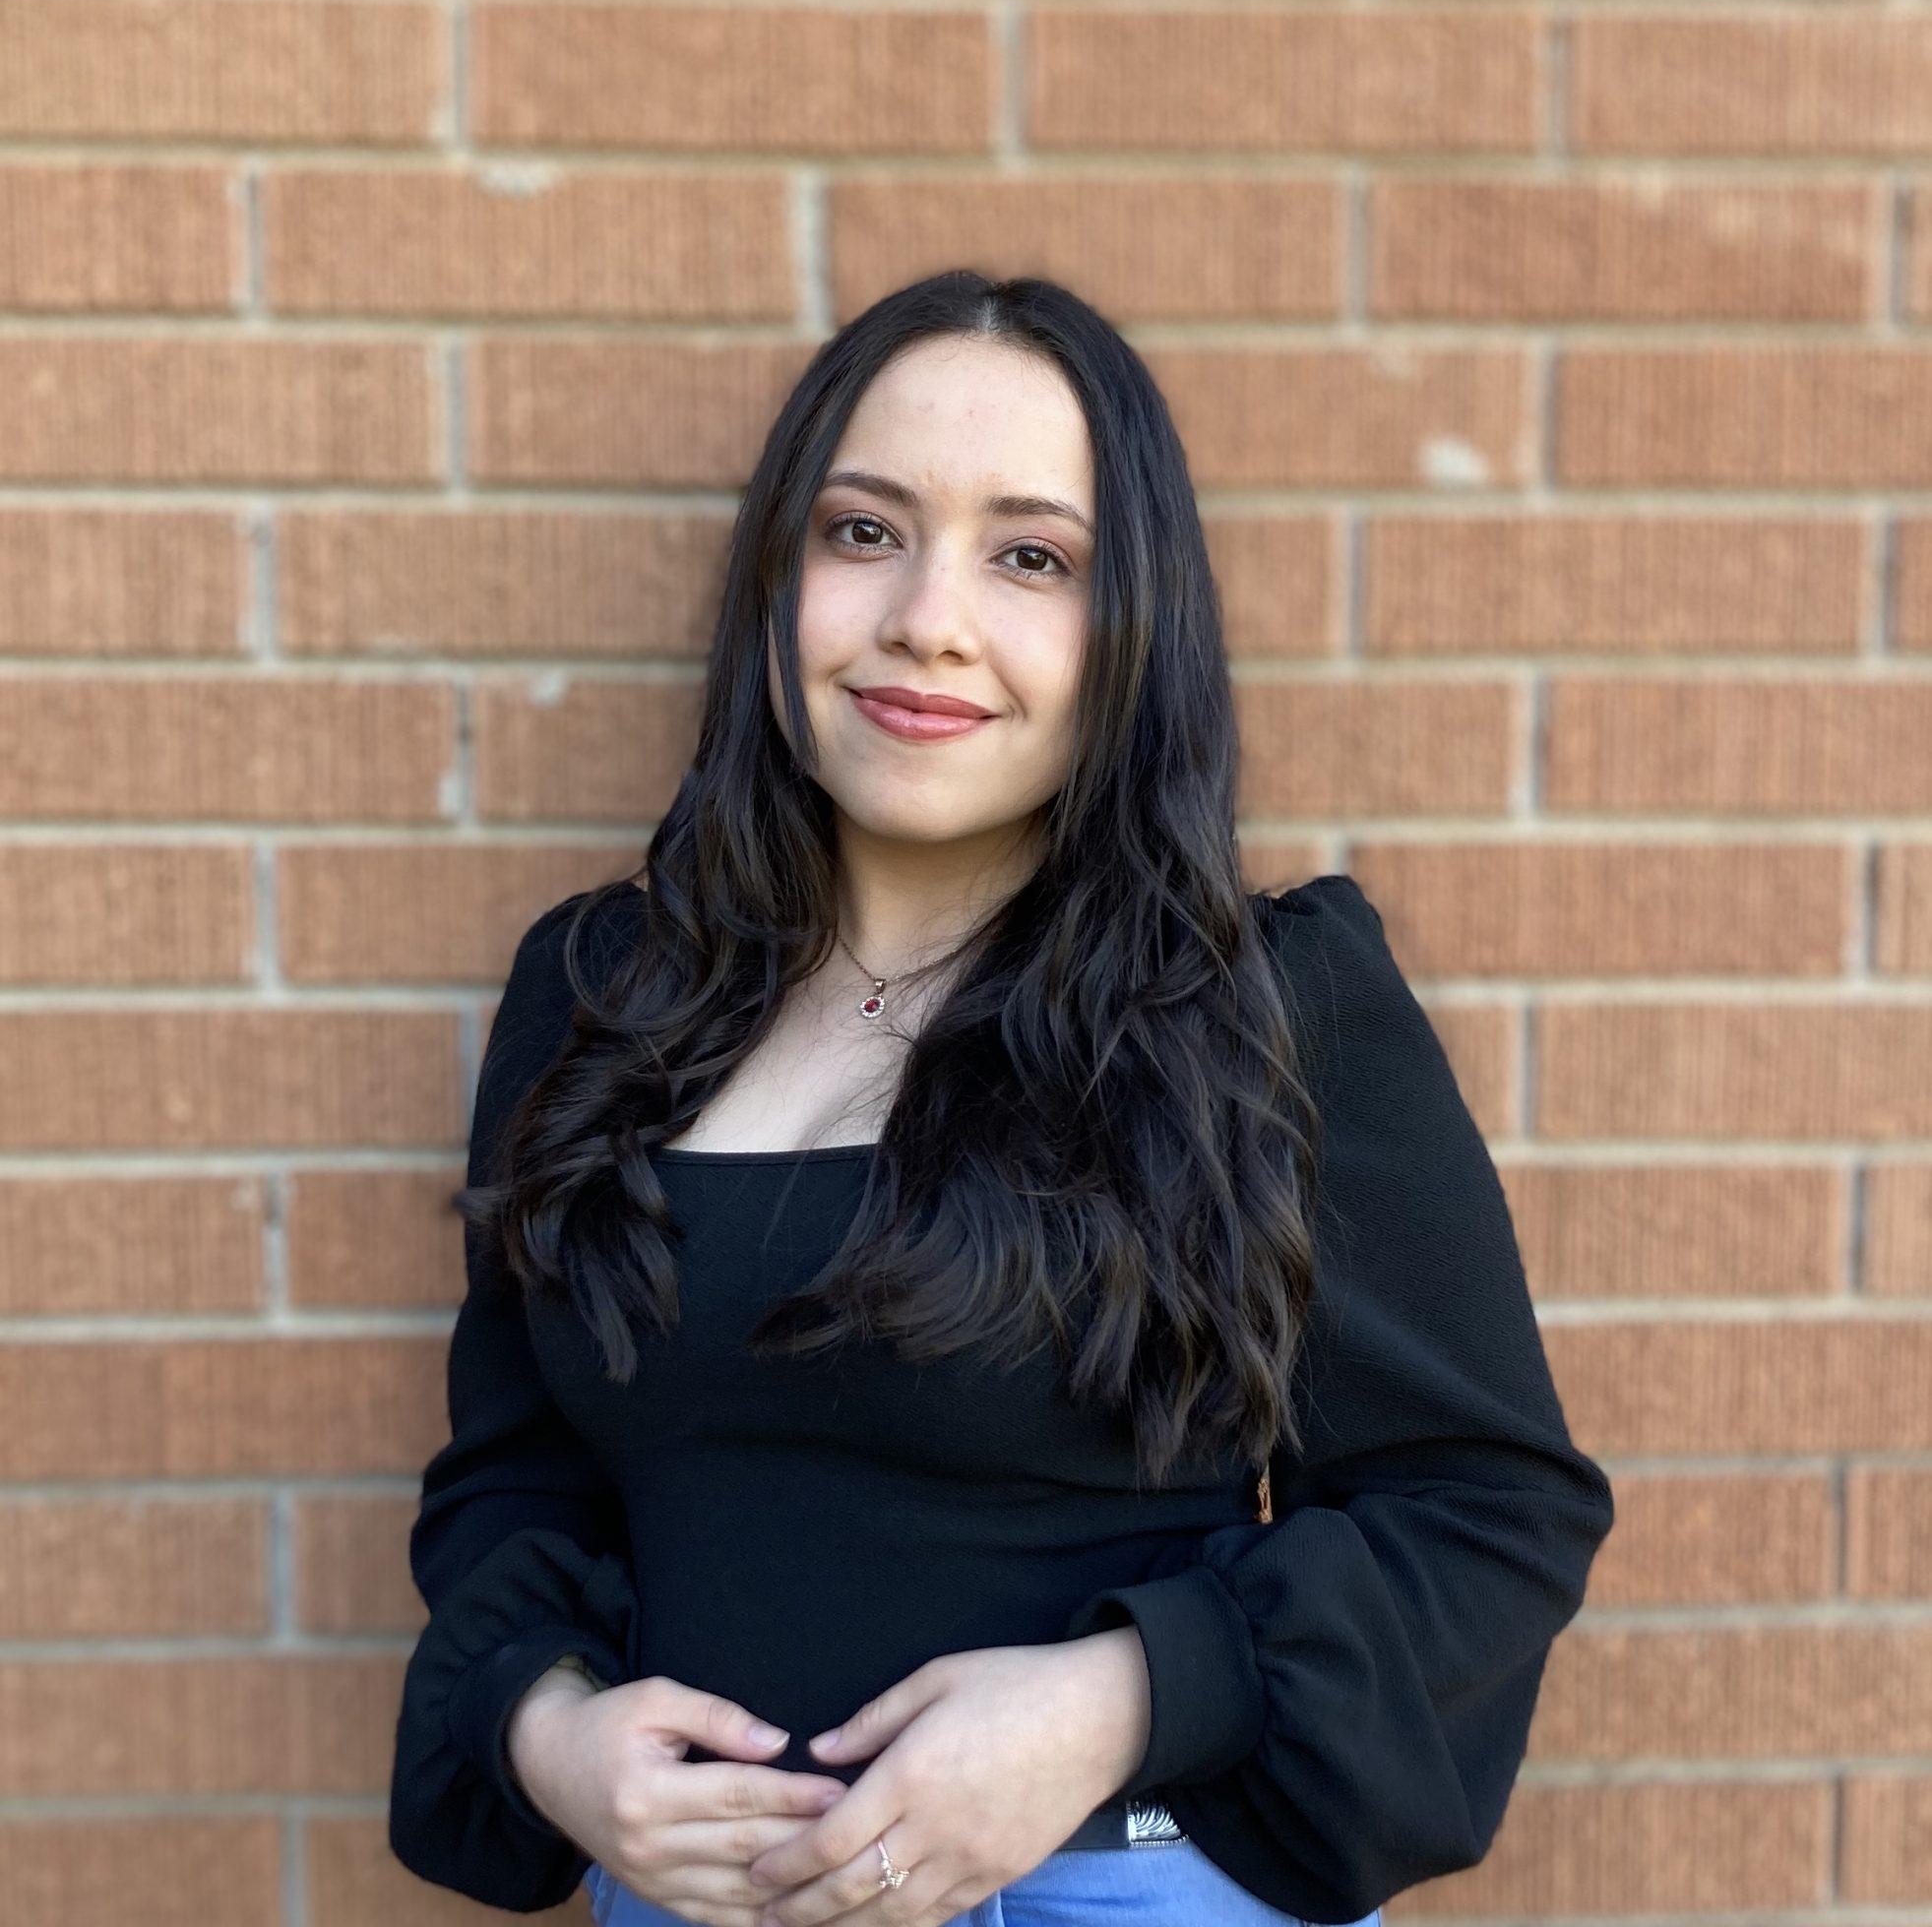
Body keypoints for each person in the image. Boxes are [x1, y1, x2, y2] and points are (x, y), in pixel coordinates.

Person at [388, 271, 1616, 1927]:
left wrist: (1115, 1701)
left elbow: (1484, 1512)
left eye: (1031, 557)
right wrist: (548, 1736)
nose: (928, 621)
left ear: (1133, 631)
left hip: (1123, 1888)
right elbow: (512, 1484)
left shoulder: (1270, 1010)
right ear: (775, 579)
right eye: (862, 533)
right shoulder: (604, 995)